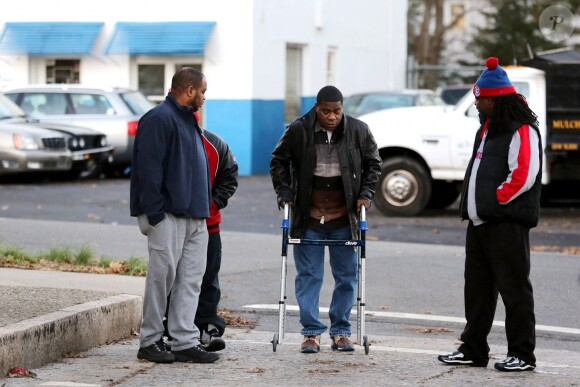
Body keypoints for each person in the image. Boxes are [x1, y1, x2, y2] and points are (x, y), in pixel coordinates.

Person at [438, 57, 542, 372]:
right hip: (480, 223)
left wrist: (495, 202)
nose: (476, 102)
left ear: (494, 99)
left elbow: (524, 173)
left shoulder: (522, 129)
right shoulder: (487, 128)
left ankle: (522, 354)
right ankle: (473, 349)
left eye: (480, 97)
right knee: (478, 290)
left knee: (514, 289)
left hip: (505, 223)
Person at [270, 85, 381, 353]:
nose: (332, 117)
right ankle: (310, 332)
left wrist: (365, 194)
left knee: (346, 276)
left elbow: (373, 164)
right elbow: (278, 161)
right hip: (309, 216)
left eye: (337, 111)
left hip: (344, 217)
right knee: (309, 276)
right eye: (326, 111)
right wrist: (285, 192)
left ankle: (341, 330)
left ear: (343, 108)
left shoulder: (358, 130)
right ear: (317, 108)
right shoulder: (299, 129)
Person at [130, 67, 218, 364]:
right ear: (190, 90)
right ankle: (150, 340)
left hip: (195, 216)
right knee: (161, 278)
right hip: (167, 214)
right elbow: (148, 170)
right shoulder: (158, 119)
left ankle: (184, 341)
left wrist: (203, 210)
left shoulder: (187, 119)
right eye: (203, 92)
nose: (204, 98)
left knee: (190, 280)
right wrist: (155, 215)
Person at [164, 115, 239, 352]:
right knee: (171, 276)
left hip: (208, 225)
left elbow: (229, 178)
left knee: (207, 277)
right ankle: (171, 327)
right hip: (172, 224)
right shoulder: (164, 144)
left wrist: (211, 206)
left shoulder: (215, 144)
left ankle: (206, 326)